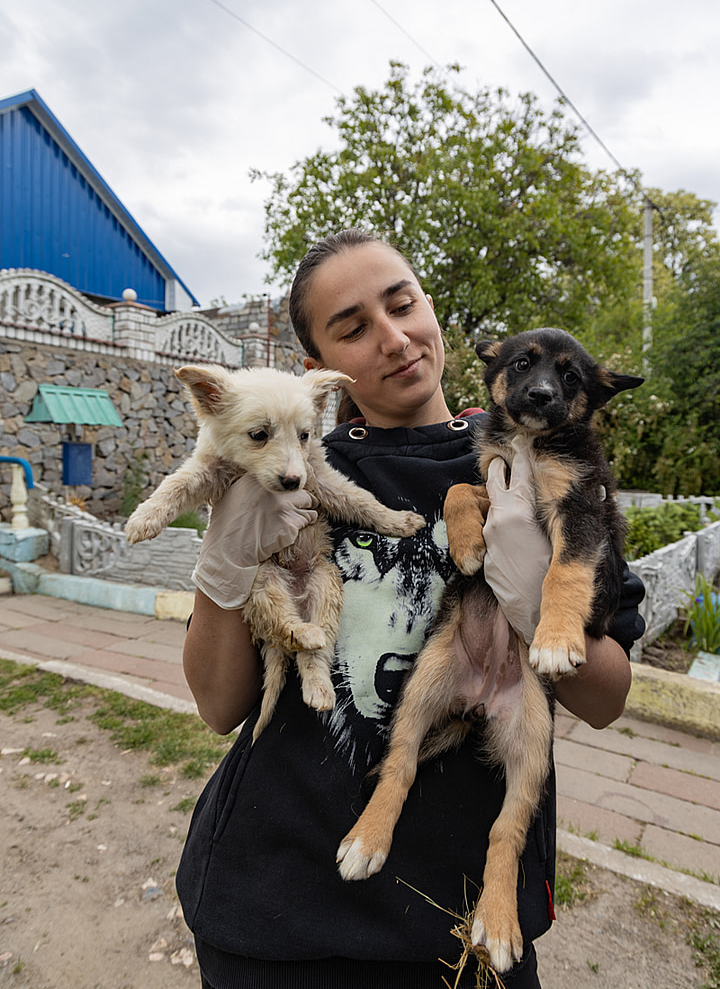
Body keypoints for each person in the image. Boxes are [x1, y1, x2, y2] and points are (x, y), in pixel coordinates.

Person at [176, 229, 645, 989]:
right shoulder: (295, 478)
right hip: (267, 910)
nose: (393, 339)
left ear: (429, 306)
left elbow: (609, 698)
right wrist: (224, 557)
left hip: (463, 929)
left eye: (402, 304)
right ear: (318, 370)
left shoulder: (544, 467)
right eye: (353, 328)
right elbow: (218, 703)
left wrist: (540, 608)